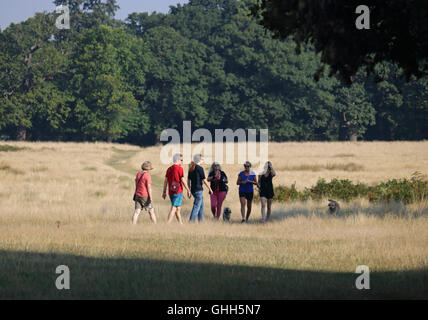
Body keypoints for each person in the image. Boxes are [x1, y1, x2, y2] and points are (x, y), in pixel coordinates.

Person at [162, 153, 191, 224]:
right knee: (174, 208)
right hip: (178, 191)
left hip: (171, 192)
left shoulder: (169, 169)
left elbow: (165, 181)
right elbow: (183, 180)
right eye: (181, 160)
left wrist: (164, 192)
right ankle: (167, 224)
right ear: (177, 160)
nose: (182, 161)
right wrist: (188, 190)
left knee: (178, 209)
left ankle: (180, 224)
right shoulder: (179, 169)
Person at [187, 154, 213, 222]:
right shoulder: (200, 168)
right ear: (199, 160)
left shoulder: (191, 167)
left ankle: (200, 222)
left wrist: (189, 190)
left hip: (193, 189)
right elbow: (204, 180)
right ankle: (191, 222)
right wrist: (210, 188)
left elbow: (188, 180)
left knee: (201, 207)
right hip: (198, 190)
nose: (203, 160)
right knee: (196, 207)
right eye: (202, 159)